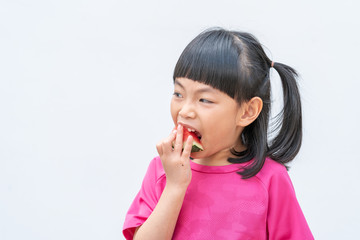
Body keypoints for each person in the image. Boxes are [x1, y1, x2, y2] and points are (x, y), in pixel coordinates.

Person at [123, 28, 314, 240]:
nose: (185, 110)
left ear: (247, 112)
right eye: (178, 93)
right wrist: (175, 186)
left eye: (204, 99)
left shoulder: (270, 179)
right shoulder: (162, 170)